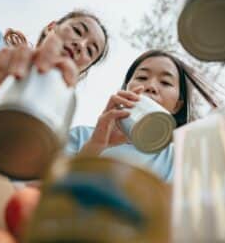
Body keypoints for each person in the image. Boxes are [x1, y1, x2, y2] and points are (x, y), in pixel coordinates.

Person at [65, 50, 200, 182]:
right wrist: (97, 145)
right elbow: (50, 189)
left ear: (177, 105)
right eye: (142, 77)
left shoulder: (180, 161)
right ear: (126, 90)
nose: (151, 86)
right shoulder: (80, 136)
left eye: (165, 82)